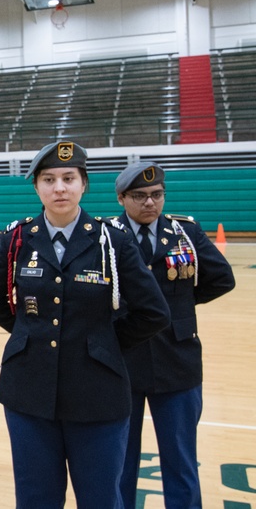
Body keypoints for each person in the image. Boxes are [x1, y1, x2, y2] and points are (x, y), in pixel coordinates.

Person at [0, 141, 170, 508]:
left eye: (68, 178)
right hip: (28, 392)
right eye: (48, 179)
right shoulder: (17, 238)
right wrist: (28, 333)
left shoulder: (112, 241)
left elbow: (153, 312)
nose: (59, 188)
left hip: (97, 394)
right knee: (36, 499)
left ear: (84, 184)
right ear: (37, 187)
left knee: (99, 498)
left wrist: (103, 343)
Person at [113, 163, 235, 509]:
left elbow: (222, 278)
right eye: (139, 196)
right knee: (120, 461)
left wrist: (173, 309)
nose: (150, 203)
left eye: (157, 195)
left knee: (181, 461)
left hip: (178, 361)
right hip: (123, 361)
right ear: (122, 198)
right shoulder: (107, 235)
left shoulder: (186, 233)